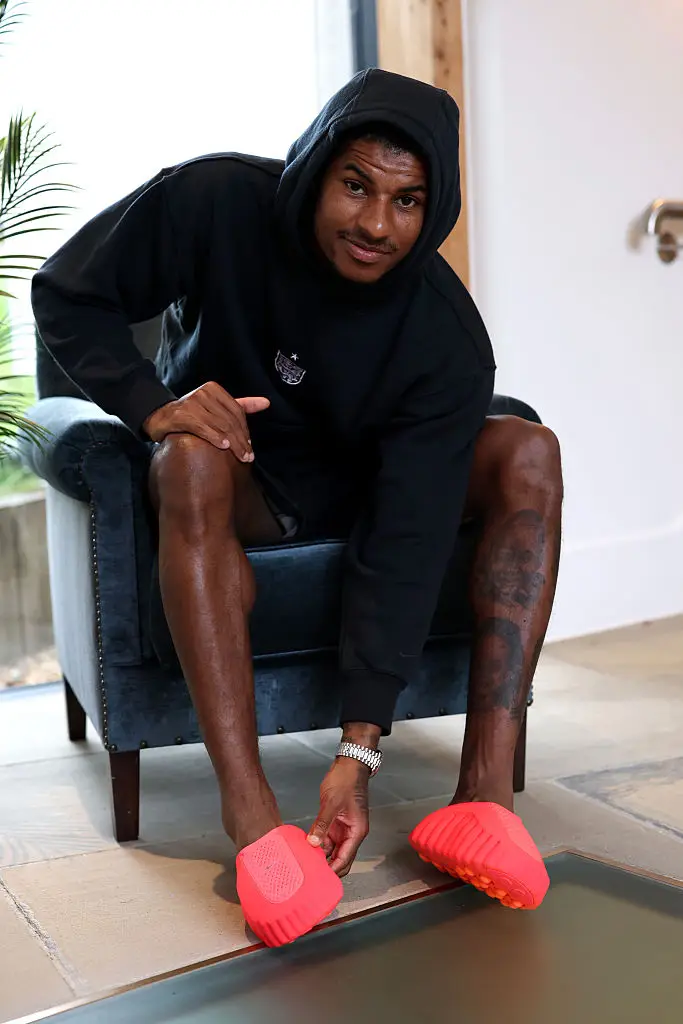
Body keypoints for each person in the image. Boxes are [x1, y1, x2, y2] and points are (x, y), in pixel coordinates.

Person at [32, 69, 562, 946]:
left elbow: (408, 537)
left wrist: (358, 755)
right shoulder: (215, 201)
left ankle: (483, 800)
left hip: (370, 489)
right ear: (316, 167)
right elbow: (67, 291)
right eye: (355, 185)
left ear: (433, 209)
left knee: (529, 450)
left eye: (406, 201)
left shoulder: (445, 336)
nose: (375, 224)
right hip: (240, 477)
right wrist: (152, 405)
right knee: (189, 459)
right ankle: (251, 821)